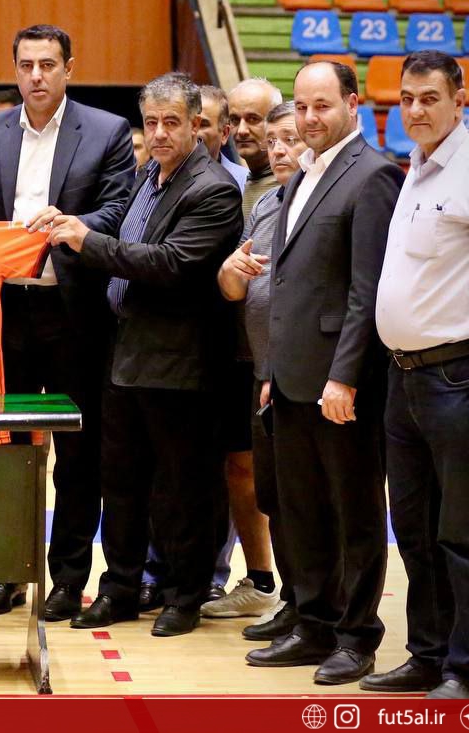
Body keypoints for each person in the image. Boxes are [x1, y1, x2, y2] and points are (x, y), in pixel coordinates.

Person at [47, 72, 242, 636]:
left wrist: (87, 242)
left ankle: (185, 596)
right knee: (121, 484)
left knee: (180, 489)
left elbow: (170, 264)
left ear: (196, 125)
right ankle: (121, 589)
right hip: (124, 355)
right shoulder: (147, 176)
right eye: (150, 122)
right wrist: (76, 226)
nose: (158, 133)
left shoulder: (213, 189)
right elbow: (121, 234)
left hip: (178, 364)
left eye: (170, 123)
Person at [363, 50, 469, 700]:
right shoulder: (415, 169)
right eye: (406, 98)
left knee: (465, 531)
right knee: (415, 529)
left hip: (461, 378)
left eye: (429, 97)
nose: (415, 109)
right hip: (403, 379)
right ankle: (427, 656)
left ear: (461, 100)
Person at [0, 24, 133, 621]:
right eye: (27, 65)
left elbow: (118, 209)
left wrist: (72, 224)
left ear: (68, 69)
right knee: (7, 451)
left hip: (73, 313)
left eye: (48, 65)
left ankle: (67, 578)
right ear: (14, 69)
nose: (36, 75)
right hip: (2, 312)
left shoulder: (106, 131)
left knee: (77, 456)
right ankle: (6, 572)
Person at [245, 61, 403, 686]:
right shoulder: (303, 175)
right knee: (303, 510)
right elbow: (289, 285)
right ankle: (313, 624)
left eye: (323, 106)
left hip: (341, 384)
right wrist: (272, 367)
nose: (310, 118)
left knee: (354, 514)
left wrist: (346, 377)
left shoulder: (373, 175)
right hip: (290, 376)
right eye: (303, 106)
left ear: (353, 104)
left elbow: (367, 291)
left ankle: (357, 636)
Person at [213, 101, 305, 632]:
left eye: (289, 139)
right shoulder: (268, 201)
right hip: (261, 368)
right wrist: (230, 270)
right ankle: (290, 600)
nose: (278, 150)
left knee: (305, 492)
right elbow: (235, 286)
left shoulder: (337, 196)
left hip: (307, 370)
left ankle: (323, 612)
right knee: (271, 488)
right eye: (275, 142)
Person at [229, 79, 285, 218]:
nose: (241, 130)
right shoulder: (243, 183)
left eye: (253, 119)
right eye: (235, 120)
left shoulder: (288, 186)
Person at [197, 84, 248, 189]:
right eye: (189, 123)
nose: (193, 132)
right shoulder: (164, 177)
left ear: (224, 133)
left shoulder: (244, 184)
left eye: (203, 125)